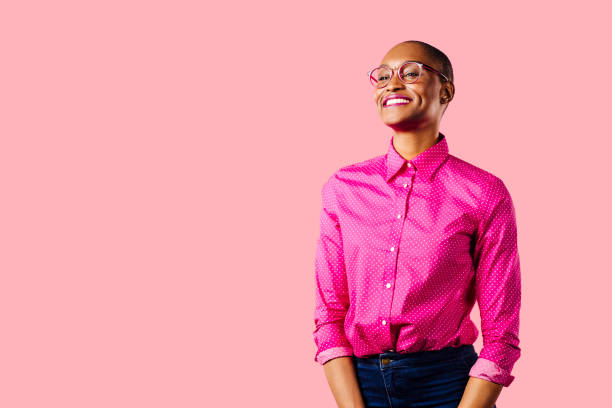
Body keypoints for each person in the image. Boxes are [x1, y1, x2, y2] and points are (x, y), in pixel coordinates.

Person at [312, 40, 521, 408]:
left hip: (449, 386)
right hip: (359, 384)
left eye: (410, 73)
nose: (392, 84)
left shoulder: (484, 192)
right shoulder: (343, 188)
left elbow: (502, 332)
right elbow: (329, 314)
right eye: (382, 77)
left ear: (446, 91)